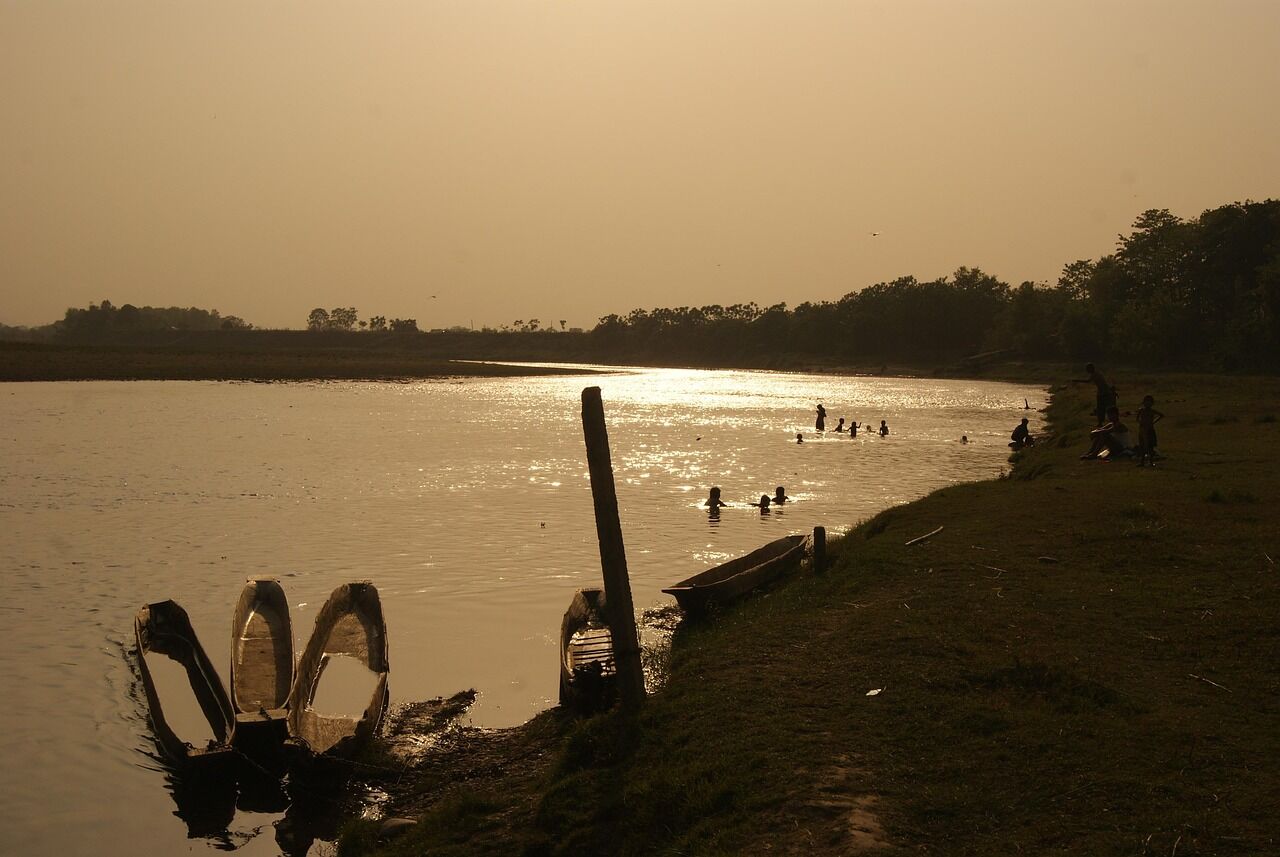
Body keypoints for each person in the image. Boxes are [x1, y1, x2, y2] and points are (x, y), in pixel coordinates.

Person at [1135, 395, 1165, 467]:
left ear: (1152, 403)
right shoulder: (1141, 410)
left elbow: (1161, 415)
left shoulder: (1152, 411)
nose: (1147, 404)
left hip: (1150, 430)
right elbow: (1137, 419)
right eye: (1146, 402)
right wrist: (1141, 423)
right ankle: (1142, 462)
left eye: (1149, 402)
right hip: (1142, 430)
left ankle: (1151, 462)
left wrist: (1153, 422)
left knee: (1150, 446)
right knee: (1142, 446)